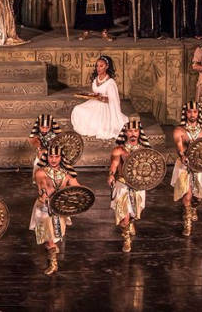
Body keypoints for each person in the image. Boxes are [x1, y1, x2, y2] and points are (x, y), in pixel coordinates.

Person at [31, 144, 81, 276]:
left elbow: (77, 188)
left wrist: (79, 197)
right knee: (49, 237)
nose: (53, 159)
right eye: (51, 156)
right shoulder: (41, 172)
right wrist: (44, 194)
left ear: (61, 157)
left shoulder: (67, 174)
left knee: (53, 236)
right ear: (46, 157)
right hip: (44, 207)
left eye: (56, 156)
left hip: (60, 208)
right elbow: (42, 185)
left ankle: (51, 247)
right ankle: (53, 263)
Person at [108, 119, 149, 253]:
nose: (133, 133)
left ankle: (131, 222)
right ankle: (126, 239)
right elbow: (114, 165)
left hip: (138, 185)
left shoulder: (145, 150)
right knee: (123, 215)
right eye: (130, 131)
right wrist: (111, 175)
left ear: (139, 133)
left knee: (134, 213)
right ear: (125, 133)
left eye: (135, 131)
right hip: (122, 184)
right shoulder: (119, 150)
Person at [171, 101, 202, 237]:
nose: (192, 114)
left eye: (195, 112)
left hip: (199, 166)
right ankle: (187, 223)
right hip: (184, 167)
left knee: (197, 198)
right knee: (187, 195)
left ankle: (194, 208)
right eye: (189, 112)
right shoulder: (179, 130)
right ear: (185, 113)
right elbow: (179, 146)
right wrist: (182, 156)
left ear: (198, 113)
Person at [71, 55, 127, 140]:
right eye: (97, 66)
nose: (98, 68)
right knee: (77, 109)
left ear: (107, 67)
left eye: (101, 66)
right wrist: (90, 96)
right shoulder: (96, 79)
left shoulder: (110, 82)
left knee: (97, 121)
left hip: (105, 106)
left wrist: (101, 98)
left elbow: (113, 100)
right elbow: (95, 93)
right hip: (94, 102)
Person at [27, 114, 60, 180]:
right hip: (41, 152)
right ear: (38, 126)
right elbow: (32, 140)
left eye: (47, 128)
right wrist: (39, 147)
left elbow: (54, 148)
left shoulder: (52, 136)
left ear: (51, 127)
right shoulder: (38, 134)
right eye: (42, 127)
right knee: (37, 164)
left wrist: (44, 151)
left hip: (51, 154)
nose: (44, 130)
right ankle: (36, 179)